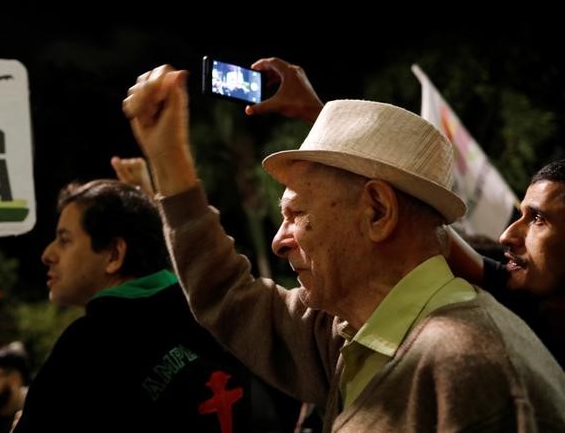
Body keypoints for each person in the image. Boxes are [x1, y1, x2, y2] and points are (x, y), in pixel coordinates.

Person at [122, 61, 565, 431]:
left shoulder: (474, 370)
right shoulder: (349, 335)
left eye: (297, 215)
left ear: (376, 211)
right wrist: (169, 162)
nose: (279, 241)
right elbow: (229, 297)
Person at [8, 178, 252, 432]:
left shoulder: (86, 346)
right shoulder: (211, 311)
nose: (47, 254)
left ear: (114, 254)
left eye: (65, 240)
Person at [447, 159, 565, 367]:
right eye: (522, 215)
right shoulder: (521, 297)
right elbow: (434, 237)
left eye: (537, 219)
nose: (506, 236)